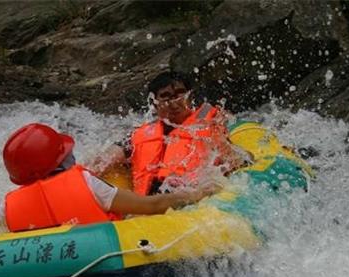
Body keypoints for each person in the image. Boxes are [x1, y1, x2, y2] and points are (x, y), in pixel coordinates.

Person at [0, 123, 219, 232]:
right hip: (101, 258)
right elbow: (153, 205)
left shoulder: (8, 207)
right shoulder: (87, 184)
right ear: (59, 161)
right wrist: (198, 194)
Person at [90, 71, 251, 195]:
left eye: (179, 94)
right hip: (147, 205)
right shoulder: (140, 135)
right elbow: (104, 160)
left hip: (191, 201)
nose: (173, 103)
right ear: (154, 102)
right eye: (165, 96)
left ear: (190, 96)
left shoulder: (209, 123)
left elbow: (235, 158)